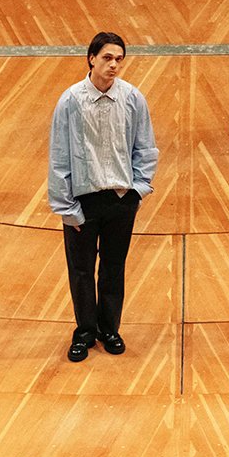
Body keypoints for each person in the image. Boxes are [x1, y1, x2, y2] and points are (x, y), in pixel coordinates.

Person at [48, 31, 160, 362]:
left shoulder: (133, 99)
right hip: (82, 201)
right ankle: (84, 331)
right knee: (81, 270)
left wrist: (138, 190)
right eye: (108, 58)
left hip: (121, 199)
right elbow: (59, 157)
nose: (114, 65)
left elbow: (146, 147)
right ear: (91, 59)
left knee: (113, 266)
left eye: (119, 59)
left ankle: (109, 328)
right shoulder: (70, 101)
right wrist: (66, 208)